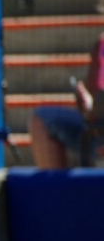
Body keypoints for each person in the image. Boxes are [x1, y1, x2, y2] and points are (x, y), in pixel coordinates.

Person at [29, 31, 104, 168]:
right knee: (43, 119)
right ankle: (55, 189)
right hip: (95, 129)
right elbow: (95, 94)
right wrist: (87, 104)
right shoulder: (102, 44)